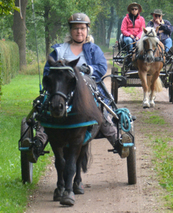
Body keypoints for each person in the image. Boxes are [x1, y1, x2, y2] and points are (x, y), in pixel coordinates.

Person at [23, 13, 132, 162]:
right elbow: (47, 72)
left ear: (87, 30)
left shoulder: (94, 50)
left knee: (101, 112)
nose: (79, 32)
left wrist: (89, 70)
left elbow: (101, 67)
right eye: (75, 28)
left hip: (88, 90)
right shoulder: (59, 50)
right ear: (70, 31)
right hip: (61, 90)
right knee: (46, 112)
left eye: (82, 28)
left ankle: (118, 142)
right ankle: (38, 144)